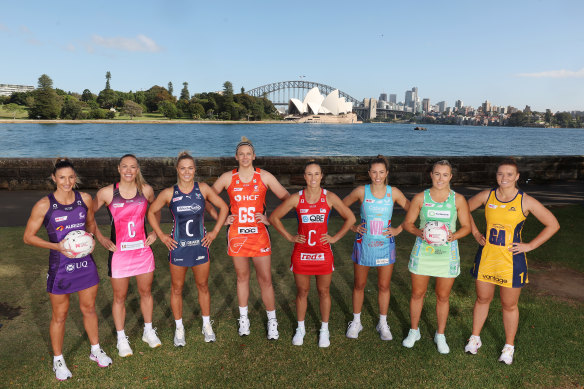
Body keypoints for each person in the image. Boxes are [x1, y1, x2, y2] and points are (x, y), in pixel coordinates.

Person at [23, 158, 112, 381]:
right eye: (62, 177)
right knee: (60, 316)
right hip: (60, 267)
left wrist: (91, 240)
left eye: (71, 177)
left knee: (89, 309)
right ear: (54, 178)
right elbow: (28, 237)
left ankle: (95, 350)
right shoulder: (44, 205)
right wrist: (57, 246)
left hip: (84, 265)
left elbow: (90, 224)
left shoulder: (85, 199)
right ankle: (58, 360)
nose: (67, 181)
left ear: (75, 178)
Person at [465, 158, 560, 364]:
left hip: (511, 262)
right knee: (482, 299)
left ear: (517, 177)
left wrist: (530, 245)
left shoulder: (525, 200)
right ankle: (475, 338)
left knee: (509, 305)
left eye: (509, 174)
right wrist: (474, 232)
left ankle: (508, 347)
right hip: (487, 257)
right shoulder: (487, 196)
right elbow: (462, 209)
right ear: (496, 176)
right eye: (500, 174)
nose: (504, 178)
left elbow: (553, 224)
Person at [269, 161, 355, 347]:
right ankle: (301, 329)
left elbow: (351, 218)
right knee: (302, 292)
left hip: (323, 253)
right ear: (304, 176)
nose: (313, 178)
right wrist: (290, 237)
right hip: (302, 253)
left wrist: (335, 238)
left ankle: (324, 330)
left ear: (322, 176)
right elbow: (274, 217)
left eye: (316, 174)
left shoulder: (330, 197)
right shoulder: (296, 198)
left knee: (324, 291)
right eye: (309, 174)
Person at [211, 137, 290, 339]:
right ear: (236, 157)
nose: (245, 157)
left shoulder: (264, 176)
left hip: (259, 235)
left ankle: (272, 321)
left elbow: (288, 199)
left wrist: (270, 219)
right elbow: (205, 197)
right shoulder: (228, 177)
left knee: (265, 279)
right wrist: (221, 218)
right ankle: (244, 319)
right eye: (241, 154)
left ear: (254, 156)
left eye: (248, 154)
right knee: (242, 277)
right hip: (237, 235)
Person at [147, 152, 229, 346]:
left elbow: (224, 207)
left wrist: (215, 232)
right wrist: (161, 235)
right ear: (177, 169)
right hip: (178, 247)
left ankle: (206, 325)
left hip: (200, 246)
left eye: (190, 168)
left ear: (195, 170)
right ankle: (179, 328)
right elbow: (151, 211)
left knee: (203, 286)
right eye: (182, 168)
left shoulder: (203, 189)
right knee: (177, 288)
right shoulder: (169, 193)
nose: (186, 171)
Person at [93, 154, 160, 357]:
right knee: (119, 297)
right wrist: (101, 237)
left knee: (146, 292)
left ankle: (148, 331)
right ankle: (121, 339)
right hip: (119, 254)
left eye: (133, 167)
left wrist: (155, 231)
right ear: (119, 168)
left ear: (137, 169)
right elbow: (87, 214)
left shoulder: (146, 190)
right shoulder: (107, 193)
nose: (129, 170)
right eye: (125, 167)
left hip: (142, 251)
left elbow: (155, 210)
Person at [401, 160, 471, 354]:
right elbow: (408, 223)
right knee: (417, 294)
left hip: (447, 254)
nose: (441, 178)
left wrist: (453, 236)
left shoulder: (458, 200)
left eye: (445, 175)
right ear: (431, 175)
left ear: (451, 177)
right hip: (423, 252)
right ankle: (414, 331)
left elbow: (467, 227)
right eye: (437, 174)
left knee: (443, 296)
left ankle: (440, 334)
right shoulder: (420, 198)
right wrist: (420, 233)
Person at [342, 155, 410, 341]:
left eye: (381, 172)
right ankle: (356, 321)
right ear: (369, 173)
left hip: (385, 246)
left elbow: (413, 210)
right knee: (359, 285)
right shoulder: (361, 191)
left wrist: (398, 229)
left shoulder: (393, 192)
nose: (377, 176)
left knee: (383, 286)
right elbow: (340, 207)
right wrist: (352, 227)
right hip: (363, 244)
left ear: (387, 173)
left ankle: (383, 322)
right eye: (374, 172)